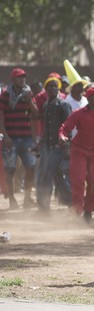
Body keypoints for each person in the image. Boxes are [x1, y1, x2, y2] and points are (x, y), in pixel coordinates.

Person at [59, 84, 94, 222]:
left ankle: (88, 210)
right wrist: (62, 136)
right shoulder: (78, 113)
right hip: (79, 151)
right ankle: (77, 210)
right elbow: (65, 128)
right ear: (88, 99)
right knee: (78, 181)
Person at [0, 68, 39, 209]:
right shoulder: (5, 95)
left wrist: (30, 101)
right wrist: (6, 135)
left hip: (26, 137)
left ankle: (27, 198)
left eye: (23, 77)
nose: (22, 80)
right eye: (19, 77)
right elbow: (1, 117)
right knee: (10, 169)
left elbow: (36, 115)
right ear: (13, 80)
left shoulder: (28, 94)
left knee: (31, 167)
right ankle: (12, 200)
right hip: (11, 137)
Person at [35, 76, 71, 211]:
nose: (53, 88)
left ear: (59, 88)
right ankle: (71, 204)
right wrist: (40, 142)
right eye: (50, 86)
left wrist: (67, 146)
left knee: (49, 175)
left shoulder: (63, 104)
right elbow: (46, 128)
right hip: (49, 147)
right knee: (56, 177)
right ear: (46, 90)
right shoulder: (46, 105)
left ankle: (44, 207)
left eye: (55, 86)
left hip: (60, 147)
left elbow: (68, 127)